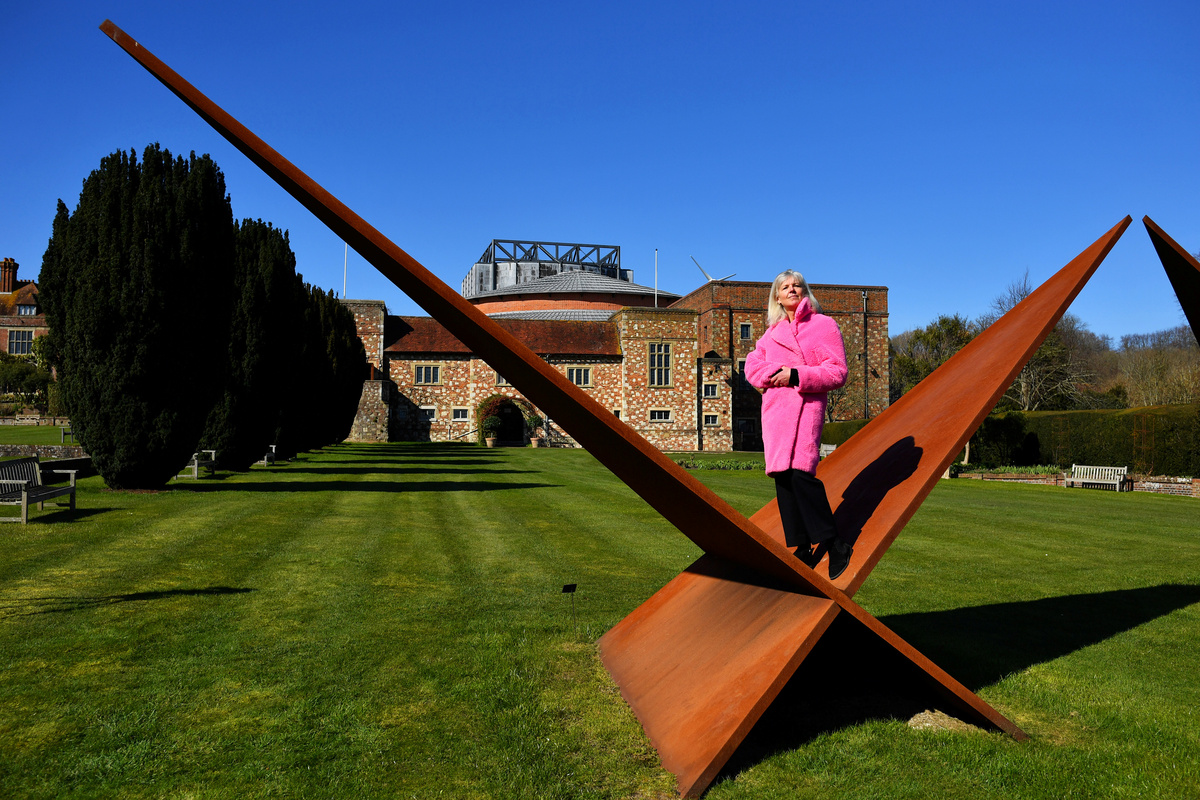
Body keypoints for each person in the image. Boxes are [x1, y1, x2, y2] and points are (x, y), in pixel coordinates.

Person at [745, 270, 854, 579]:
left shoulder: (823, 325)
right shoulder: (772, 334)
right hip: (776, 412)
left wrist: (795, 374)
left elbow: (837, 371)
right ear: (777, 297)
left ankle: (834, 543)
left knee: (801, 474)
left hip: (806, 407)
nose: (791, 290)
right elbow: (752, 366)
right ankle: (802, 547)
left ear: (805, 291)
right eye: (785, 287)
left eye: (797, 285)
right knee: (782, 476)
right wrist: (773, 375)